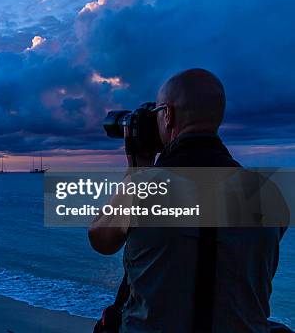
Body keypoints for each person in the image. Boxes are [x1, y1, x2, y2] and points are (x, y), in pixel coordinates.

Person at [89, 68, 287, 332]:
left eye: (157, 114)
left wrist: (137, 171)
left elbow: (101, 240)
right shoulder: (268, 193)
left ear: (168, 115)